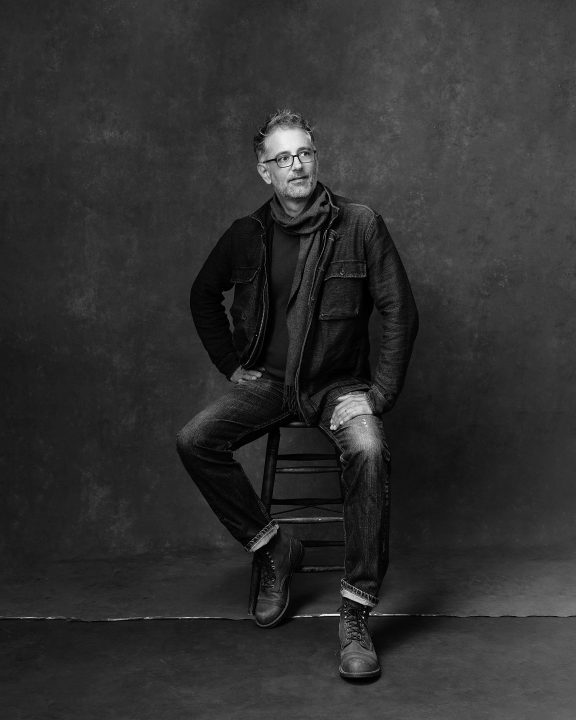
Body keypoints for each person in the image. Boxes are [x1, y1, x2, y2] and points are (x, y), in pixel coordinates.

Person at [176, 109, 418, 681]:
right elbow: (203, 295)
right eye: (282, 158)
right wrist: (234, 366)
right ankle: (272, 547)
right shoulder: (247, 235)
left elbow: (399, 311)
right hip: (272, 386)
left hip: (337, 386)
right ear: (265, 172)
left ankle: (355, 614)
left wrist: (378, 393)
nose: (296, 166)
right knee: (195, 440)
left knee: (367, 449)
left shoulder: (359, 225)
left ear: (317, 157)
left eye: (304, 152)